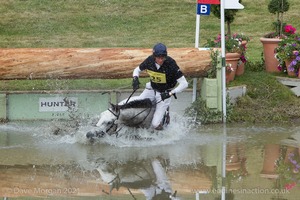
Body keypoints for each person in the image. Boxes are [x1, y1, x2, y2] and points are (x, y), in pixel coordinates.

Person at [132, 43, 188, 130]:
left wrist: (170, 93)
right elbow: (137, 70)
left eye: (163, 58)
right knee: (137, 107)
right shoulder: (150, 60)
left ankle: (164, 132)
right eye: (158, 58)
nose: (161, 60)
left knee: (155, 124)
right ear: (154, 56)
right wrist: (135, 79)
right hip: (151, 89)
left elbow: (184, 84)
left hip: (164, 94)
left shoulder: (171, 63)